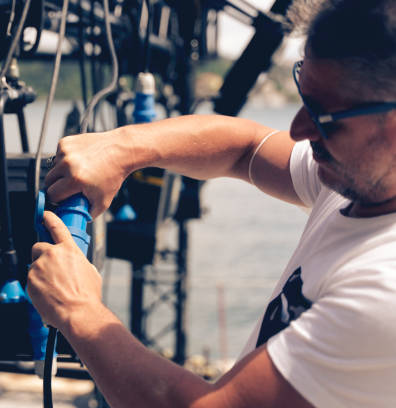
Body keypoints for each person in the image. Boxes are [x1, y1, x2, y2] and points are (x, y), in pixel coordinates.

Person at [26, 0, 396, 406]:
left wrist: (79, 311)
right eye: (303, 95)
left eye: (324, 116)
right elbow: (246, 148)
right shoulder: (360, 177)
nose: (298, 128)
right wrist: (121, 147)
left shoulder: (384, 291)